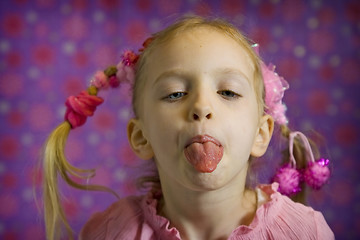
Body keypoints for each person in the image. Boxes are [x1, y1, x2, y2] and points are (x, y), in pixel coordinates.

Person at [42, 16, 334, 240]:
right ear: (141, 137)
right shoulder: (111, 232)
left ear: (261, 134)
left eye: (228, 92)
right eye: (175, 94)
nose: (201, 107)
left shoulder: (307, 231)